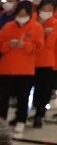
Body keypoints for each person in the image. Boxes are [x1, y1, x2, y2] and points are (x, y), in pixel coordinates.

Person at [0, 1, 44, 135]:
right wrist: (8, 44)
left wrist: (25, 45)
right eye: (19, 14)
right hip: (6, 68)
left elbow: (39, 46)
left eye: (24, 14)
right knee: (2, 98)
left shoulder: (36, 27)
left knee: (23, 97)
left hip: (25, 69)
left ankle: (21, 120)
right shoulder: (8, 26)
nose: (21, 17)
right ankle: (1, 121)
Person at [32, 0, 56, 128]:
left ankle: (39, 114)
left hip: (47, 62)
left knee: (44, 90)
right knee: (28, 90)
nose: (46, 12)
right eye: (44, 9)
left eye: (49, 9)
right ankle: (25, 113)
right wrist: (42, 31)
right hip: (30, 61)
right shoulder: (32, 22)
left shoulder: (55, 23)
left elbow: (51, 44)